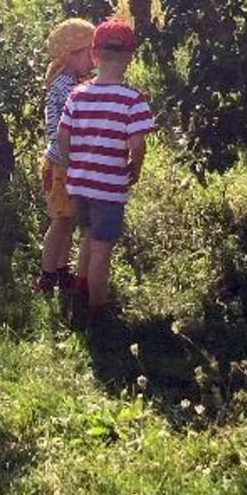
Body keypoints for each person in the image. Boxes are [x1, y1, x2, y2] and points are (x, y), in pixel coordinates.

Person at [56, 19, 153, 318]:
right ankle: (97, 311)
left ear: (94, 55)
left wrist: (74, 163)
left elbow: (62, 134)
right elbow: (137, 144)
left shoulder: (77, 95)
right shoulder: (132, 100)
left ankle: (80, 292)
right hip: (108, 187)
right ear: (129, 58)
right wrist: (134, 167)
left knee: (87, 235)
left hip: (80, 183)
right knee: (101, 250)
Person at [35, 18, 96, 296]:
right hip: (62, 164)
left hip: (69, 163)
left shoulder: (73, 82)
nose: (93, 61)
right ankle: (46, 276)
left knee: (68, 219)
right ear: (72, 55)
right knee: (60, 221)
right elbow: (57, 131)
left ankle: (61, 271)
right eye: (88, 54)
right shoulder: (64, 86)